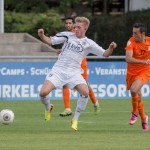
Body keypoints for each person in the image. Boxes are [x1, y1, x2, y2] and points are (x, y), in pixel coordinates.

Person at [38, 16, 117, 131]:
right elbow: (50, 41)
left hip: (74, 73)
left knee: (85, 91)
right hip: (59, 70)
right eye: (75, 26)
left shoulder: (89, 43)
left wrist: (111, 48)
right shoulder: (67, 35)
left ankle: (75, 119)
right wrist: (41, 36)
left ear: (85, 28)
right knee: (43, 93)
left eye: (79, 27)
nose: (76, 28)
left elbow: (105, 54)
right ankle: (48, 107)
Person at [57, 17, 100, 117]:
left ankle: (96, 103)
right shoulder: (67, 35)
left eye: (70, 23)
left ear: (74, 24)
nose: (68, 25)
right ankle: (67, 109)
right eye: (66, 23)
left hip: (81, 64)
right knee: (65, 84)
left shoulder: (77, 32)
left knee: (85, 86)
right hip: (70, 66)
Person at [125, 22, 150, 131]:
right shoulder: (131, 41)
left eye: (135, 33)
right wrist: (144, 61)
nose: (133, 35)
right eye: (133, 33)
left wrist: (145, 63)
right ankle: (144, 120)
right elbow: (128, 58)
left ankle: (134, 112)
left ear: (142, 34)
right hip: (132, 72)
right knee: (138, 95)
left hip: (145, 71)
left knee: (134, 90)